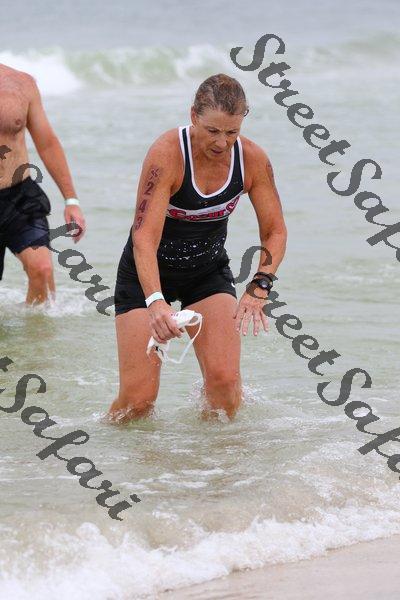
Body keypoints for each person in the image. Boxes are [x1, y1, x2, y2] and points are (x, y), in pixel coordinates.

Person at [109, 73, 287, 422]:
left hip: (206, 272)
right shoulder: (167, 154)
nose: (222, 142)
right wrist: (155, 301)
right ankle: (109, 450)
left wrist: (260, 285)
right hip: (147, 274)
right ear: (193, 116)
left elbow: (275, 231)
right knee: (138, 403)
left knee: (225, 389)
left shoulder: (251, 159)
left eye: (232, 132)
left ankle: (206, 456)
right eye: (213, 130)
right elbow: (144, 237)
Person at [0, 63, 86, 304]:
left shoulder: (21, 83)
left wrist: (71, 200)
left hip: (19, 197)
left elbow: (47, 142)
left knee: (42, 269)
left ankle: (38, 328)